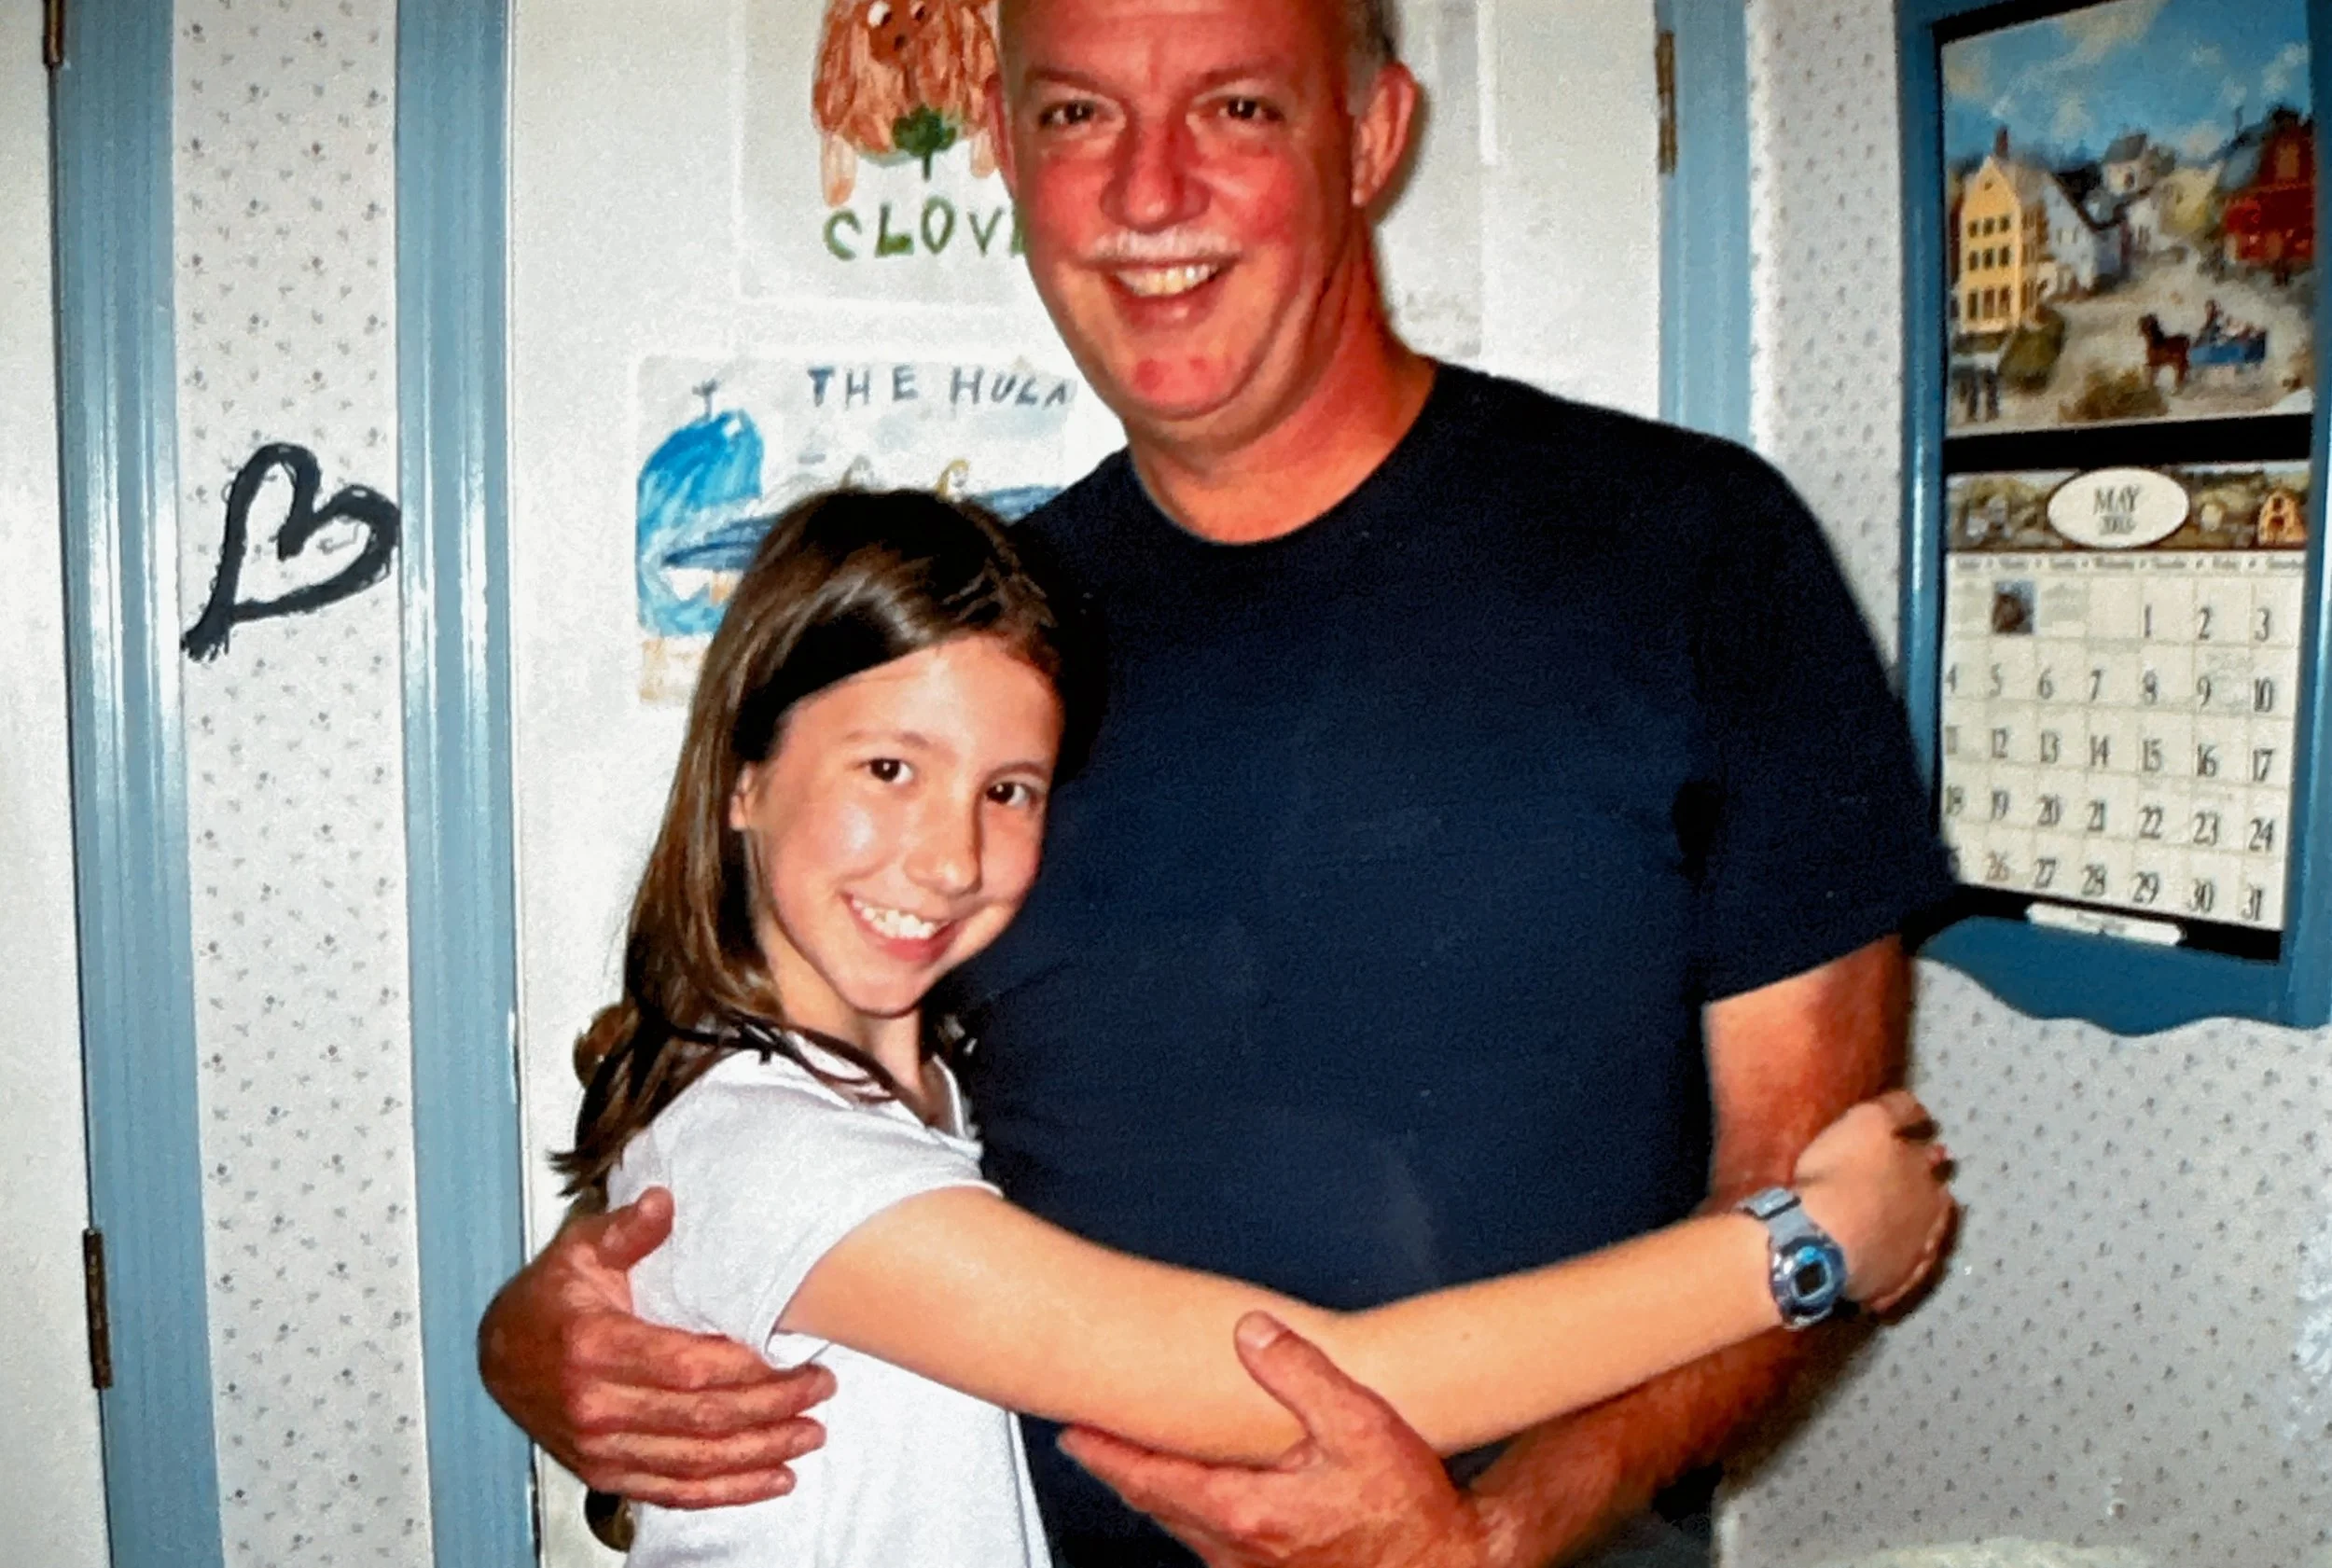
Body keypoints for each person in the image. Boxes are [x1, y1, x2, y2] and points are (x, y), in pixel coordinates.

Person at [479, 0, 1961, 1562]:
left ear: (1373, 136)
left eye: (1238, 110)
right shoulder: (994, 666)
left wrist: (1498, 1534)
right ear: (1003, 147)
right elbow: (775, 1106)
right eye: (1078, 117)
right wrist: (551, 1334)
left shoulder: (1697, 556)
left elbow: (1810, 1184)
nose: (1149, 192)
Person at [561, 485, 1951, 1568]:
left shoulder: (913, 1092)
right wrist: (1800, 1247)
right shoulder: (781, 1153)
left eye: (1011, 791)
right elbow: (1298, 1382)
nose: (947, 857)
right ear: (742, 779)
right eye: (887, 768)